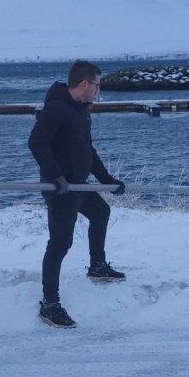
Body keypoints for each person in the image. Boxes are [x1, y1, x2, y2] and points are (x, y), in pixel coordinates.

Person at [28, 59, 126, 328]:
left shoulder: (81, 110)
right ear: (84, 84)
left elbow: (87, 151)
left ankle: (97, 266)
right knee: (60, 243)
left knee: (101, 211)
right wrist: (55, 175)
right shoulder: (57, 109)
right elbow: (36, 142)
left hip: (79, 184)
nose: (98, 90)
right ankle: (50, 304)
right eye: (97, 85)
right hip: (60, 188)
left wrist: (107, 180)